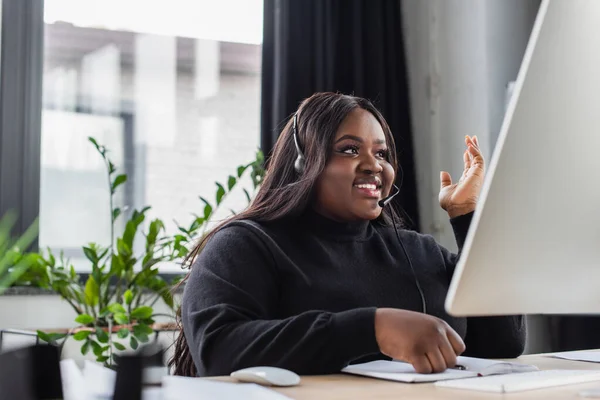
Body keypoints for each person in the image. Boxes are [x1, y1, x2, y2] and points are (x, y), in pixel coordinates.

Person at [169, 92, 525, 377]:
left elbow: (503, 342)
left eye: (382, 153)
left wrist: (468, 216)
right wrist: (373, 328)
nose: (374, 165)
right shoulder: (245, 245)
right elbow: (217, 351)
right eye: (350, 150)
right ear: (304, 162)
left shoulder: (420, 252)